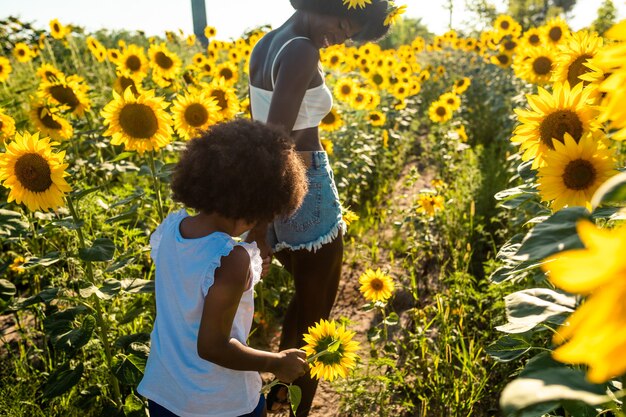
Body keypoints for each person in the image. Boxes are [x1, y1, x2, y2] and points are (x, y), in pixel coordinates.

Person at [247, 0, 391, 414]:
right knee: (317, 320)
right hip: (303, 185)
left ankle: (281, 393)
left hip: (277, 188)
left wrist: (263, 210)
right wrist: (258, 221)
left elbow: (258, 127)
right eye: (344, 24)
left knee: (303, 300)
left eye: (351, 35)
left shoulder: (267, 44)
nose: (342, 38)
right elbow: (277, 137)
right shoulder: (302, 49)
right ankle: (298, 408)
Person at [137, 119, 310, 417]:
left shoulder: (170, 229)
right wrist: (276, 362)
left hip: (165, 393)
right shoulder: (232, 259)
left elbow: (194, 278)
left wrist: (249, 272)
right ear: (261, 201)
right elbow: (213, 346)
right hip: (219, 403)